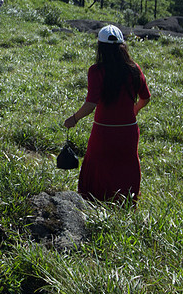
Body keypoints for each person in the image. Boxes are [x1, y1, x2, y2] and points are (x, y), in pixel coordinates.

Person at [64, 25, 151, 203]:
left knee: (98, 164)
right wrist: (134, 111)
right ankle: (126, 202)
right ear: (122, 46)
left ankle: (95, 203)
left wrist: (74, 118)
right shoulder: (134, 69)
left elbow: (91, 104)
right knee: (126, 165)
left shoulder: (96, 71)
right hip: (128, 130)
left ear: (100, 47)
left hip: (103, 131)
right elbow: (146, 97)